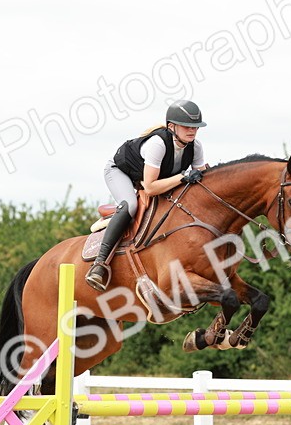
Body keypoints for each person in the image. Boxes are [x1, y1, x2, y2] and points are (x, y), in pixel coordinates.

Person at [85, 100, 210, 291]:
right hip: (121, 172)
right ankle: (100, 264)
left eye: (195, 127)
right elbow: (150, 187)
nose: (192, 131)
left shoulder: (196, 147)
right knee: (130, 206)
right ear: (171, 126)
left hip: (152, 178)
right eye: (186, 126)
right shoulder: (158, 144)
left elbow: (201, 179)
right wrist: (183, 176)